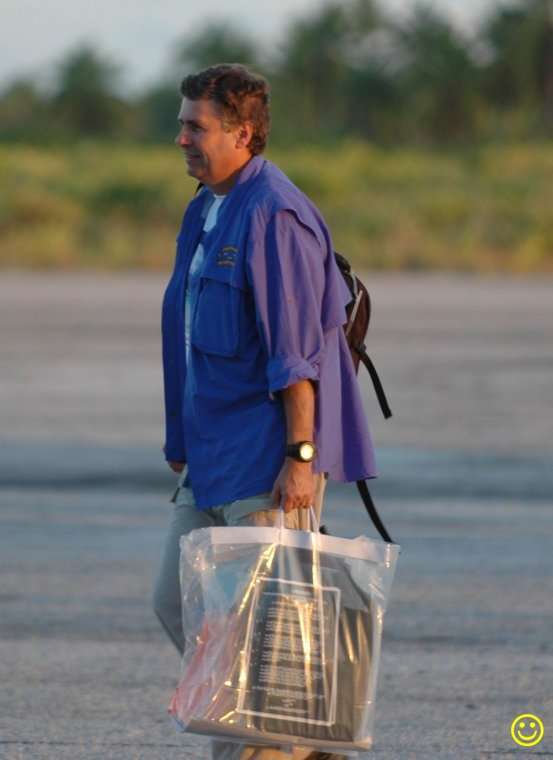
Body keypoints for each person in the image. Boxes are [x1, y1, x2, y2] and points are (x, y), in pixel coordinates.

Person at [153, 63, 377, 760]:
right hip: (209, 456)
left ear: (242, 132)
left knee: (258, 642)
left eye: (197, 125)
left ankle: (287, 743)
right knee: (179, 603)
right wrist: (180, 439)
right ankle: (313, 740)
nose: (182, 137)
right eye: (182, 122)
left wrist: (301, 459)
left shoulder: (271, 213)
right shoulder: (206, 206)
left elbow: (294, 355)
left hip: (264, 458)